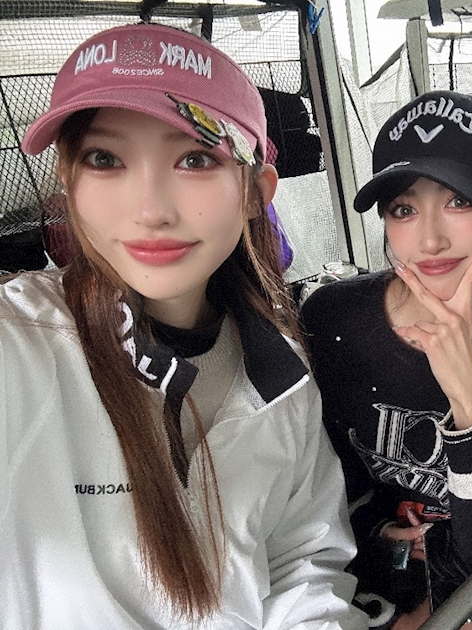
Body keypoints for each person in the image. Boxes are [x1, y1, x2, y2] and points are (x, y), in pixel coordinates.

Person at [1, 23, 366, 629]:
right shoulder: (22, 341)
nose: (150, 209)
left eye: (195, 159)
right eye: (104, 159)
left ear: (255, 193)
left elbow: (302, 558)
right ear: (68, 182)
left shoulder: (281, 370)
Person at [300, 91, 472, 629]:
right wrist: (375, 536)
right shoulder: (334, 321)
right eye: (404, 210)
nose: (430, 239)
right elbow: (322, 479)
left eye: (459, 202)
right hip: (364, 568)